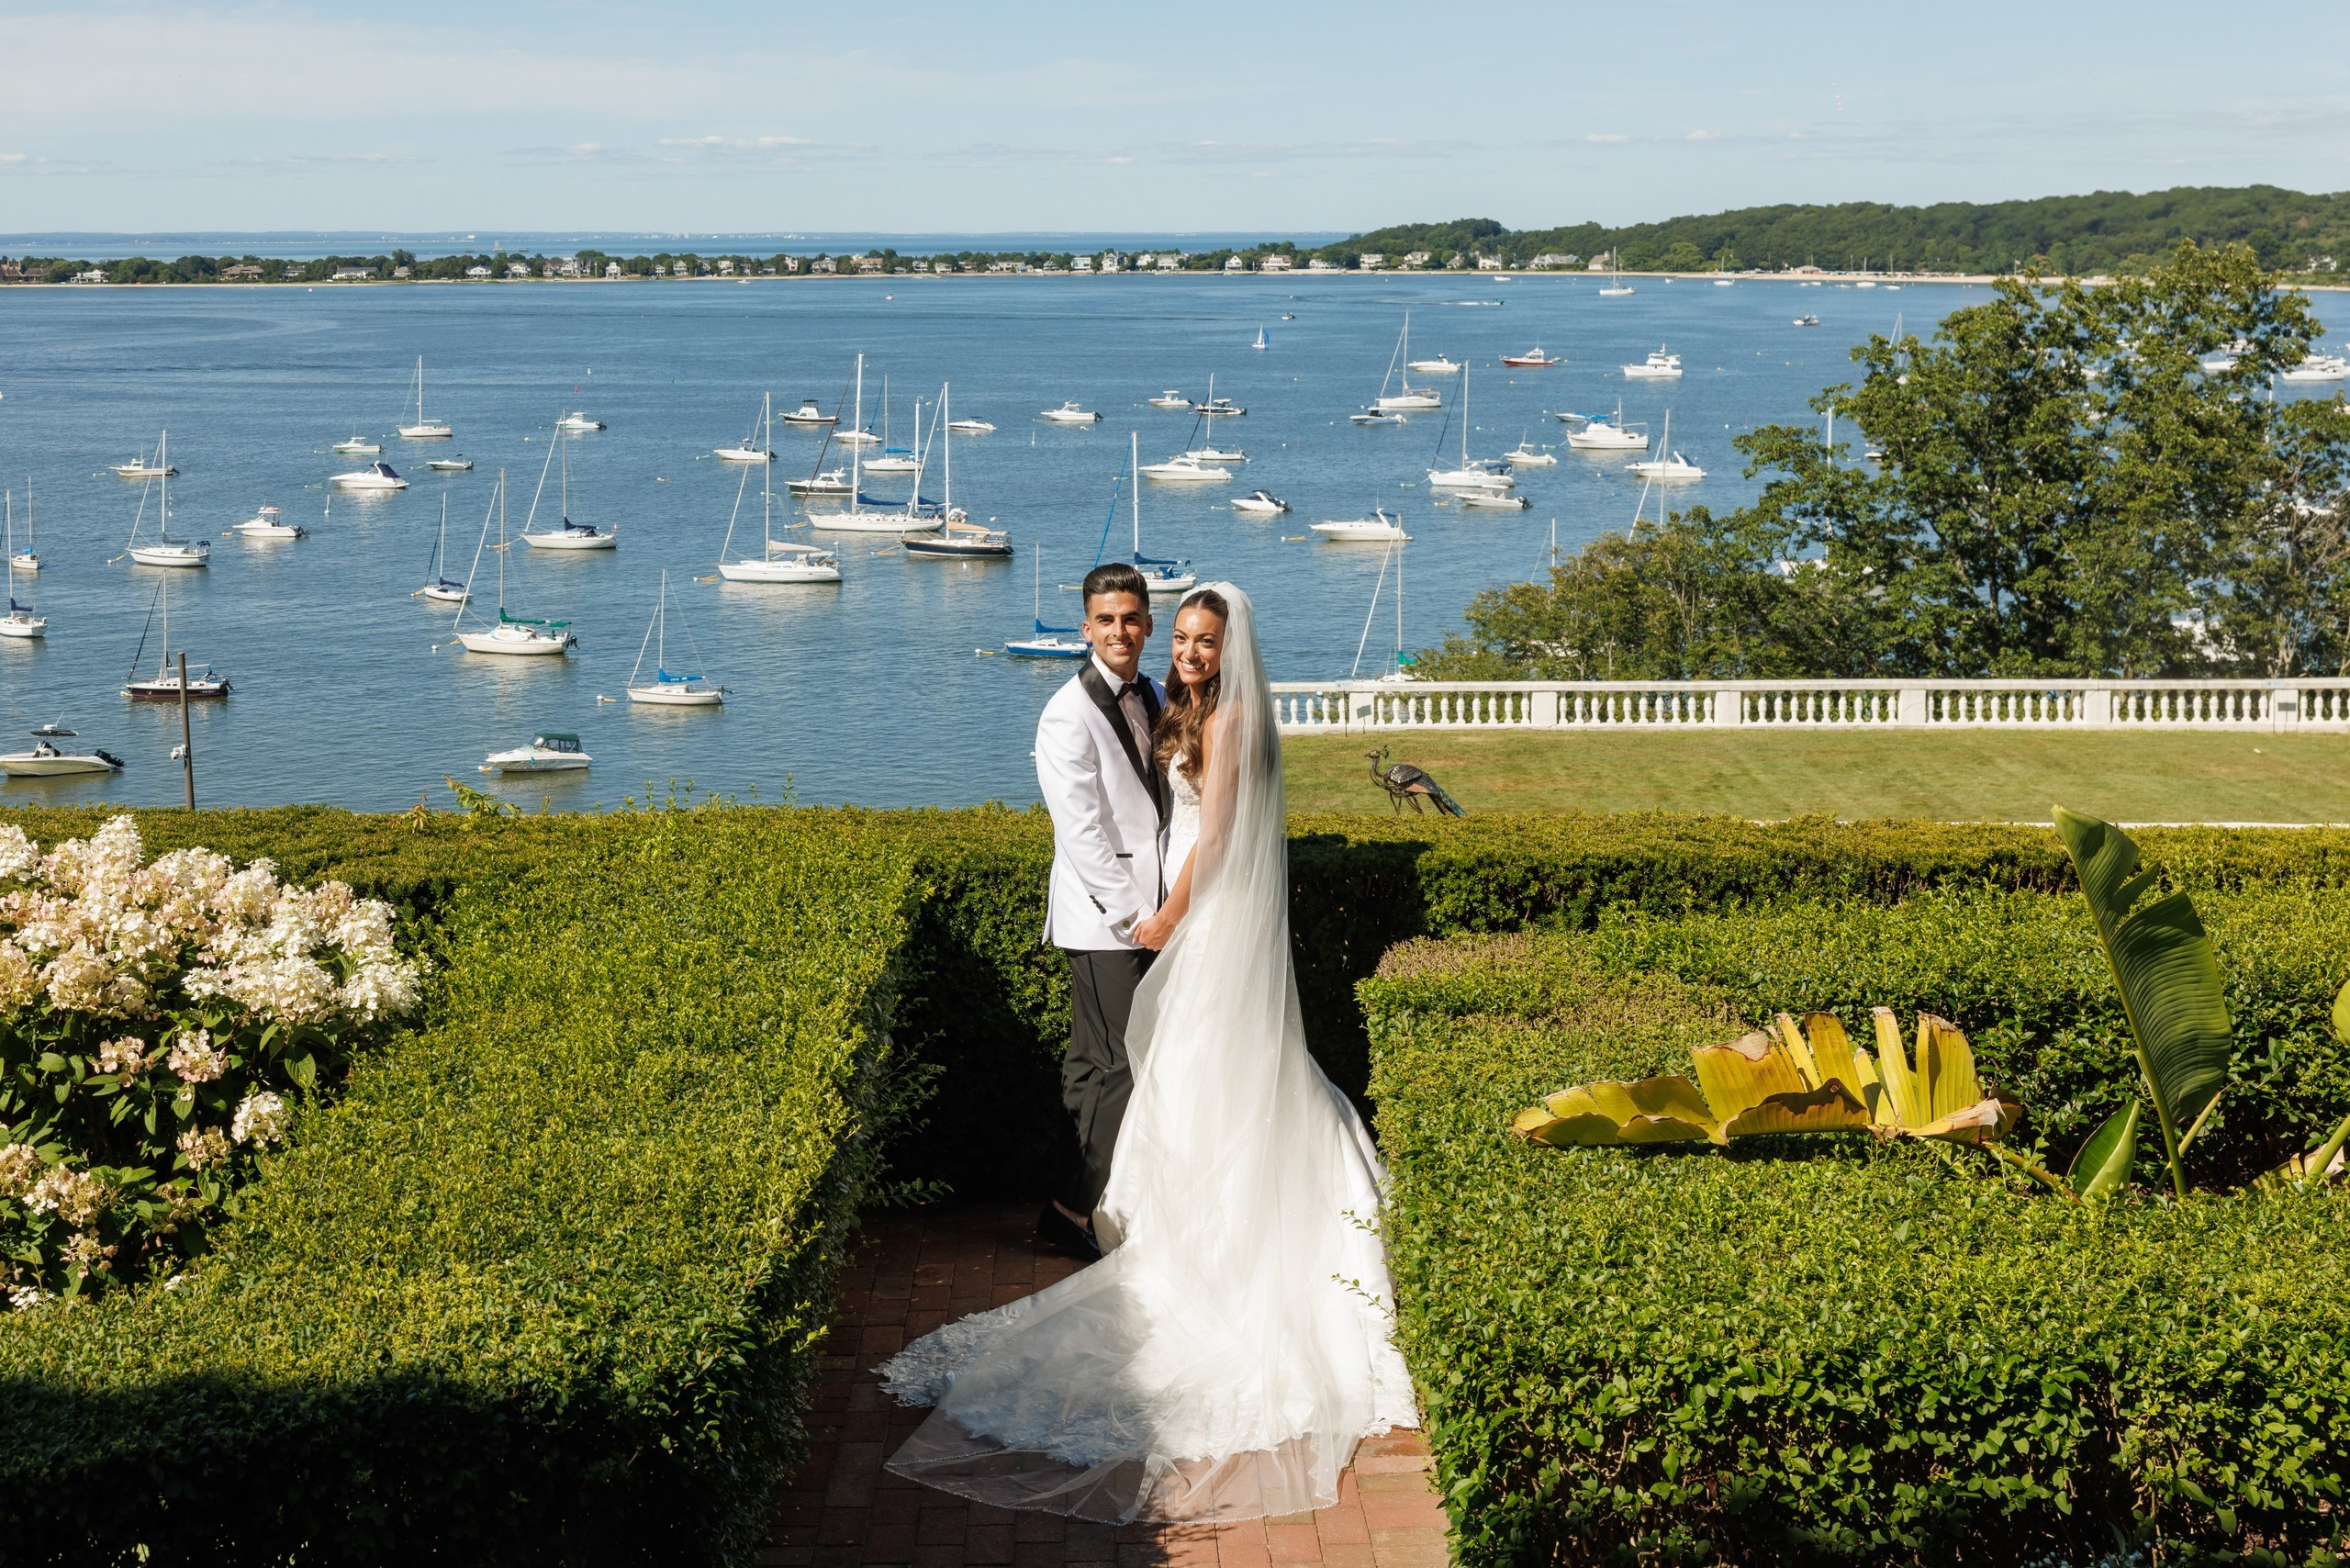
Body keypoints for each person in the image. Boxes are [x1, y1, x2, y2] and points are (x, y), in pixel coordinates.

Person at [880, 584, 1416, 1523]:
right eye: (1184, 635)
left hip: (1197, 922)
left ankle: (1213, 1234)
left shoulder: (1233, 718)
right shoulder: (1159, 706)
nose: (1188, 650)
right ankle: (1161, 1220)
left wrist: (1165, 915)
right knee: (1172, 1076)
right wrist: (1153, 910)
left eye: (1202, 639)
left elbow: (1219, 835)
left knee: (1199, 1073)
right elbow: (1102, 820)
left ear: (1230, 645)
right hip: (1165, 921)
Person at [1030, 563, 1166, 1259]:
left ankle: (1070, 1204)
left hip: (1152, 909)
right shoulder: (1066, 713)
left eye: (1132, 618)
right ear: (1087, 627)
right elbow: (1081, 832)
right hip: (1109, 918)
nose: (1121, 630)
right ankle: (1071, 1208)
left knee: (1091, 1064)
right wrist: (1137, 916)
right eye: (1107, 620)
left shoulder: (1159, 693)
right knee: (1122, 1063)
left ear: (1147, 624)